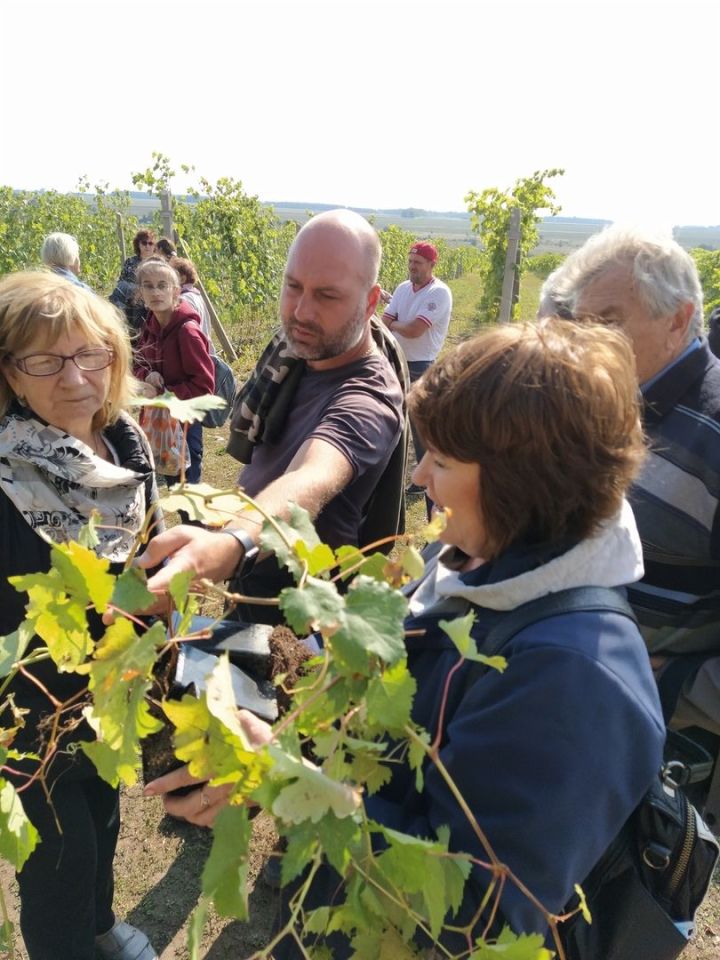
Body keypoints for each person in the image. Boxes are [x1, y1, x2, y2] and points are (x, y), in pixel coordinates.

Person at [143, 317, 665, 953]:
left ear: (519, 485)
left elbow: (473, 917)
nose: (418, 478)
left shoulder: (576, 682)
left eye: (441, 461)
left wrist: (283, 781)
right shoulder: (483, 559)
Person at [135, 209, 404, 618]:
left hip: (301, 608)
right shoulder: (300, 358)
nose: (301, 312)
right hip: (255, 571)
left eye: (326, 295)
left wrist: (233, 543)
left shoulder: (369, 395)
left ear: (370, 302)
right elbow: (269, 465)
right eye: (293, 287)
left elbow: (309, 477)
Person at [0, 271, 160, 960]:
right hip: (32, 706)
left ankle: (98, 930)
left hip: (112, 690)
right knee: (58, 859)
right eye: (45, 359)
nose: (74, 378)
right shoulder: (6, 473)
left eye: (90, 354)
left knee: (104, 815)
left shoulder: (126, 447)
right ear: (11, 373)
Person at [545, 226, 720, 822]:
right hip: (574, 705)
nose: (588, 342)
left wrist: (671, 687)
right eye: (584, 322)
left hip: (661, 748)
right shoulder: (604, 403)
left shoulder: (715, 433)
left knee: (638, 903)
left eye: (611, 320)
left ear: (680, 319)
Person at [133, 258, 214, 485]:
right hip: (158, 423)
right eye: (148, 285)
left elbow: (204, 386)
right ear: (140, 292)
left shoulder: (187, 332)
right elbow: (138, 364)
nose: (156, 292)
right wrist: (145, 376)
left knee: (188, 494)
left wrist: (164, 393)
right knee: (172, 484)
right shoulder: (150, 327)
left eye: (162, 285)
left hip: (185, 425)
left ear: (176, 291)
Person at [381, 241, 452, 494]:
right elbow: (384, 320)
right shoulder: (402, 288)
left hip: (421, 364)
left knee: (420, 424)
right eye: (410, 262)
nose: (413, 267)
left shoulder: (439, 293)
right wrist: (399, 323)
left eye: (418, 263)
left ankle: (424, 482)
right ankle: (389, 477)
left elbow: (415, 330)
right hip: (395, 360)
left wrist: (398, 323)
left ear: (432, 265)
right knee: (391, 417)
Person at [109, 229, 157, 334]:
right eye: (144, 243)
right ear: (138, 245)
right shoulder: (130, 262)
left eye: (151, 243)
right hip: (129, 302)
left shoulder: (157, 264)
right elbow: (122, 282)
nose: (147, 246)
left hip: (148, 304)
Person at [171, 255, 215, 353]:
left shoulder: (183, 300)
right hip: (205, 350)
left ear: (182, 279)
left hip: (196, 351)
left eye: (171, 276)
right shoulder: (196, 295)